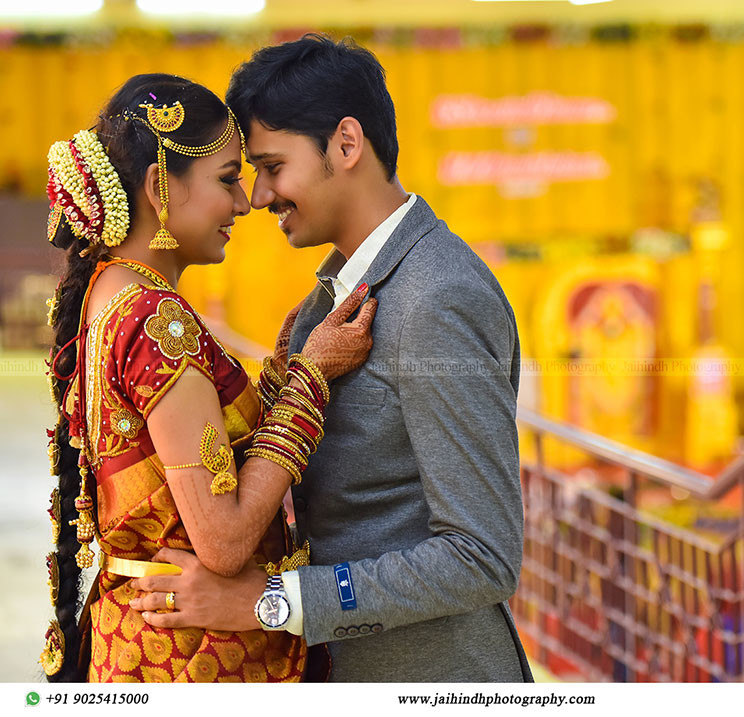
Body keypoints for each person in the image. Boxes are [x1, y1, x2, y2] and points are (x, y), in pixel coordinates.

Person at [131, 35, 533, 682]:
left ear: (347, 145)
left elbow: (481, 555)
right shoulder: (330, 300)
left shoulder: (438, 297)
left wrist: (271, 603)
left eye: (270, 166)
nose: (256, 197)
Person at [41, 73, 377, 682]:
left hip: (142, 644)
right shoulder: (153, 318)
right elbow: (222, 542)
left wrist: (282, 371)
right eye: (227, 179)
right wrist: (312, 382)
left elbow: (193, 457)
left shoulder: (106, 291)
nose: (246, 202)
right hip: (193, 658)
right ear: (158, 188)